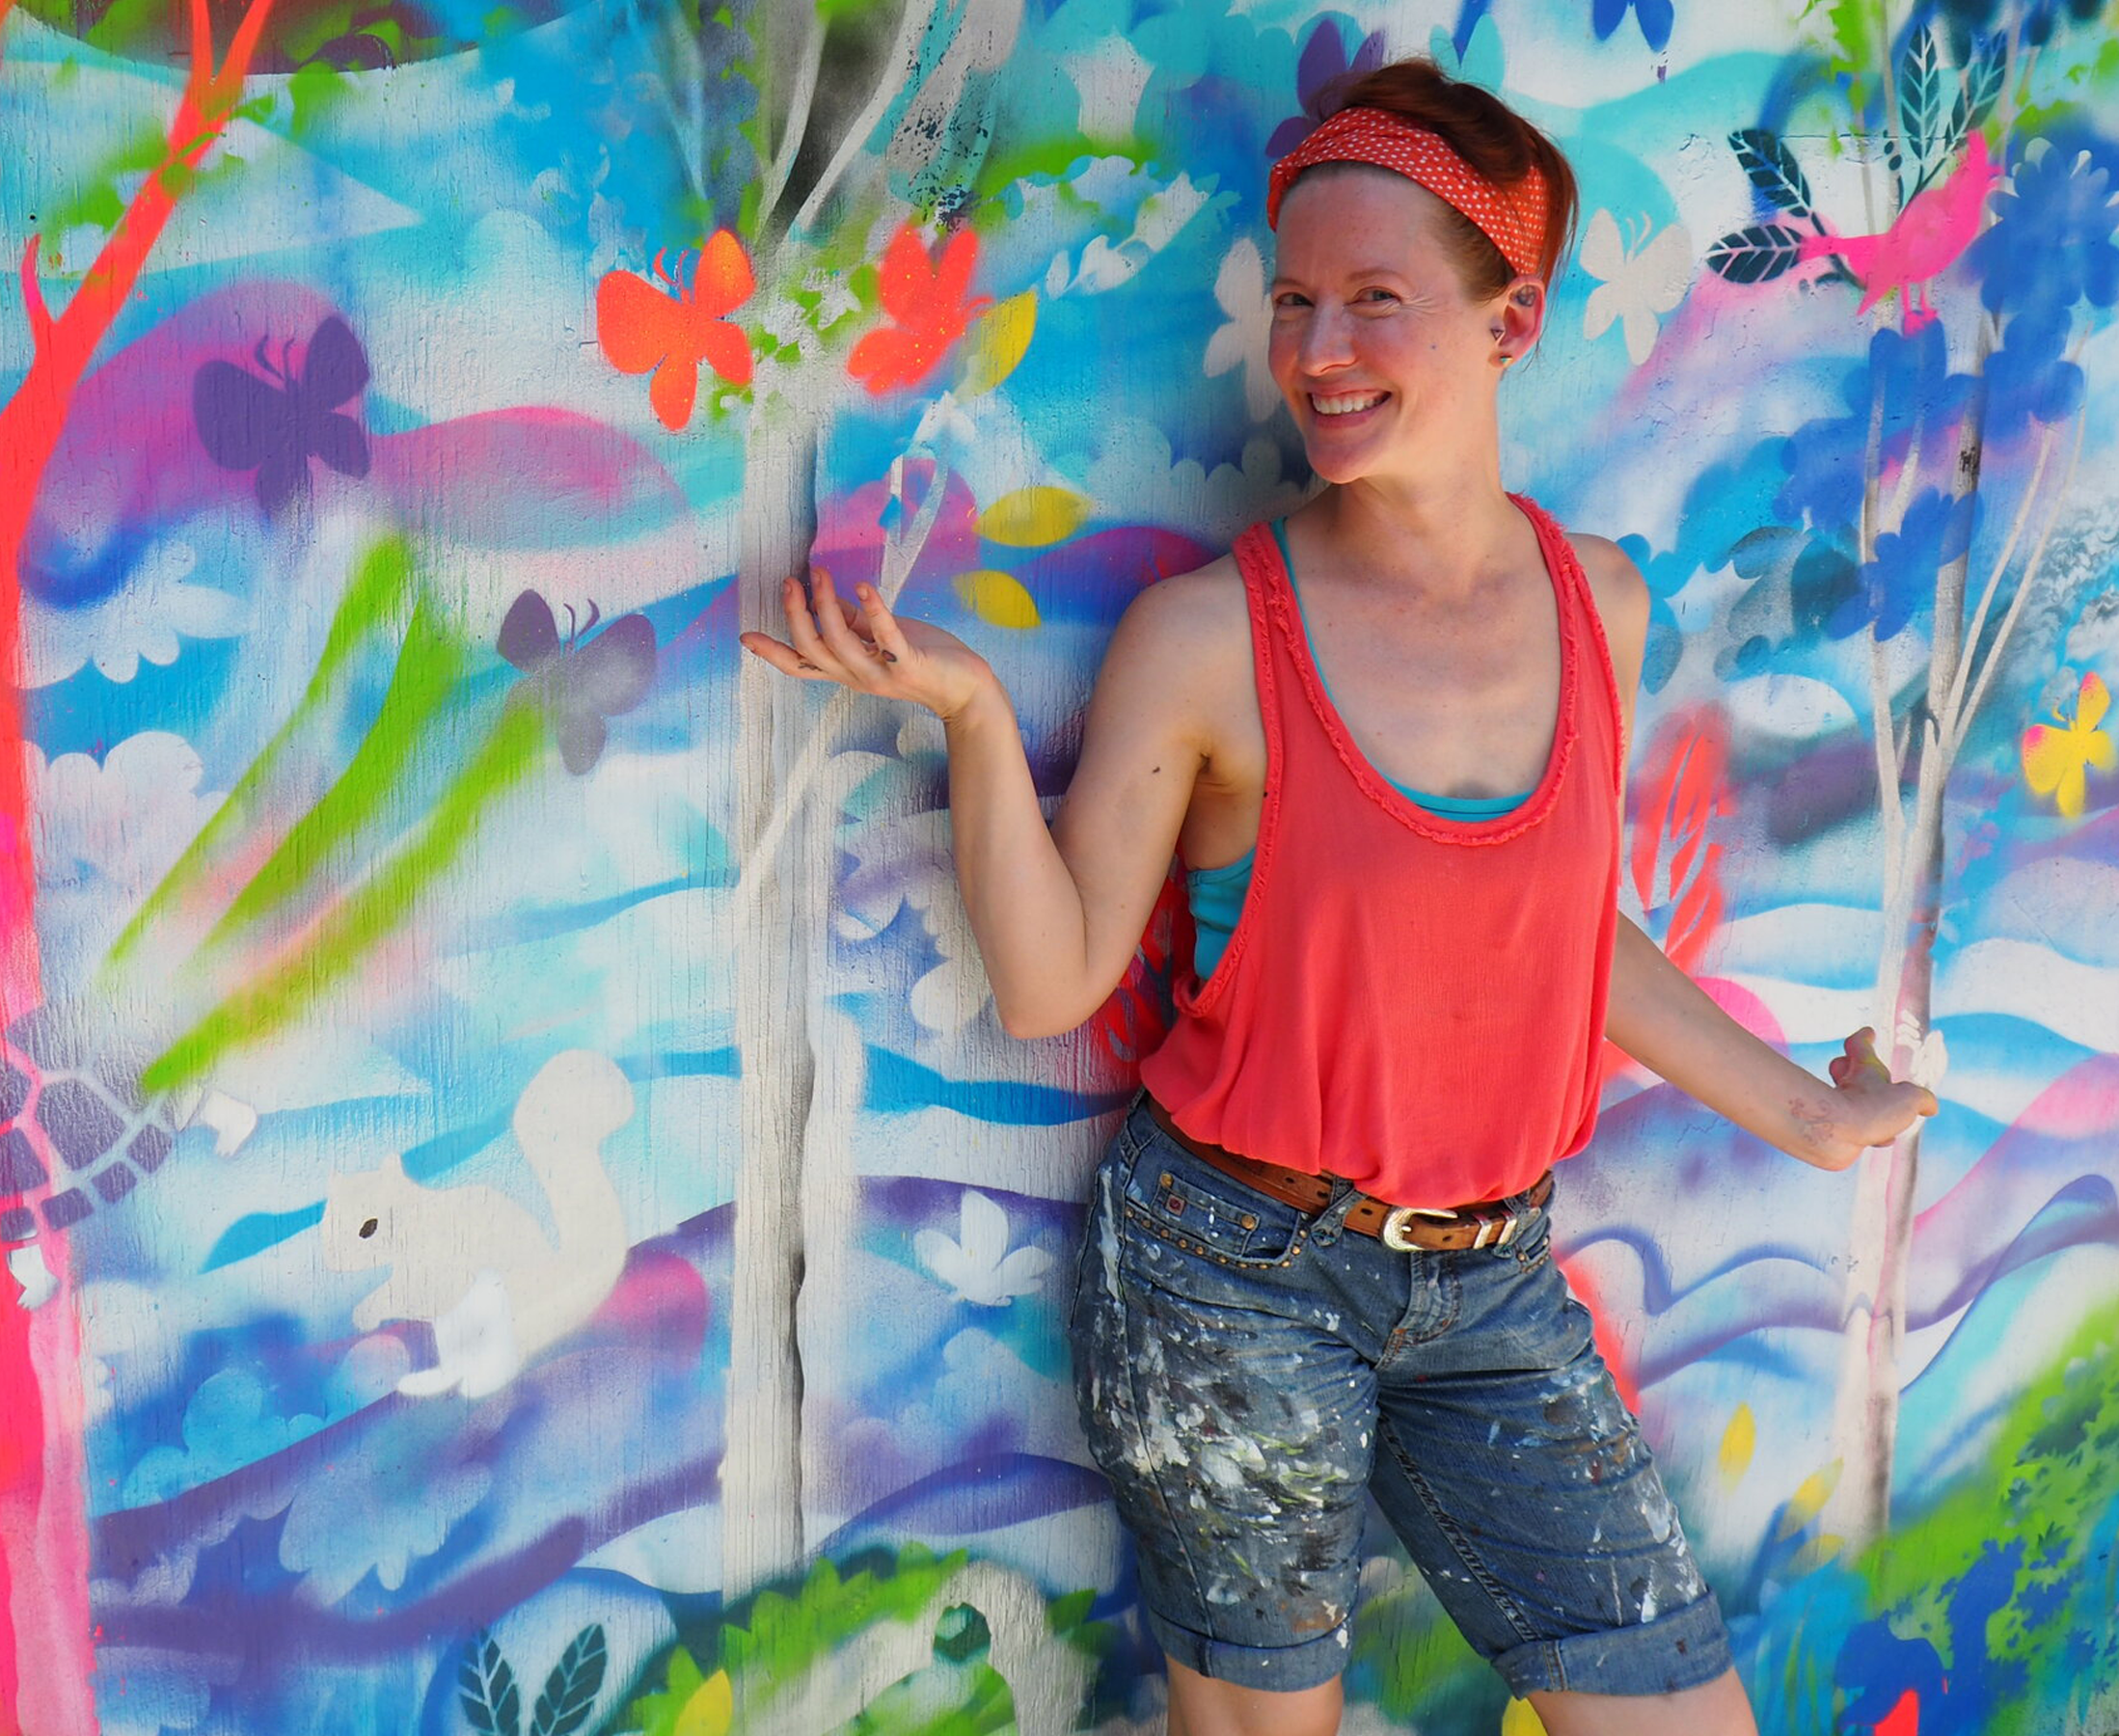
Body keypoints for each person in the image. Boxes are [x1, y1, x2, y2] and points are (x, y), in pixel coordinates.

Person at [741, 59, 1940, 1736]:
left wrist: (1808, 1121)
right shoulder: (1210, 634)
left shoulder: (1600, 606)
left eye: (1377, 301)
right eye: (1295, 300)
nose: (1318, 352)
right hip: (1230, 1275)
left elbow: (1558, 927)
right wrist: (974, 718)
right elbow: (1048, 983)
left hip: (1499, 1278)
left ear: (1508, 321)